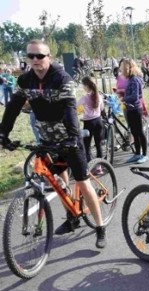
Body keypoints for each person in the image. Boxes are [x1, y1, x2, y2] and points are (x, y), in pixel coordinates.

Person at [0, 40, 107, 248]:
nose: (35, 60)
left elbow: (69, 108)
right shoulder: (24, 81)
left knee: (82, 182)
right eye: (30, 56)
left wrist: (72, 138)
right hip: (47, 139)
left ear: (49, 57)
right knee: (58, 178)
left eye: (40, 56)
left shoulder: (61, 78)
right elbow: (13, 107)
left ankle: (100, 226)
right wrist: (3, 132)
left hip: (69, 138)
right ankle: (71, 216)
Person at [120, 58, 148, 164]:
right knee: (134, 132)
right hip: (130, 109)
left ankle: (144, 154)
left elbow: (135, 97)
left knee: (140, 132)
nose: (122, 70)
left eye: (123, 68)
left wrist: (124, 98)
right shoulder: (130, 80)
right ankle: (137, 153)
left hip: (136, 109)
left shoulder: (135, 80)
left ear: (129, 68)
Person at [77, 76, 104, 163]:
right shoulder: (99, 96)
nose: (82, 87)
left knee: (86, 145)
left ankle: (88, 165)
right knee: (98, 144)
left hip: (88, 123)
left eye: (83, 85)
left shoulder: (84, 97)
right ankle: (99, 166)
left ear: (86, 86)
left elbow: (75, 106)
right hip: (98, 121)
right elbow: (102, 108)